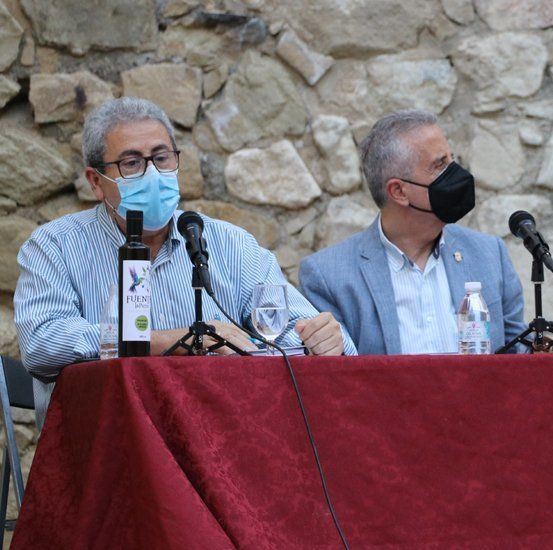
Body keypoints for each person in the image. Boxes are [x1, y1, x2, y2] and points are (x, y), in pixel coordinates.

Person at [15, 97, 356, 428]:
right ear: (96, 182)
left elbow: (292, 331)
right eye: (131, 163)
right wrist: (177, 340)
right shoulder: (55, 246)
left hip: (221, 439)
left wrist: (327, 339)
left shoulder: (227, 243)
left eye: (162, 158)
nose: (152, 174)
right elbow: (42, 344)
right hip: (112, 445)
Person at [299, 110, 525, 355]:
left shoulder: (490, 255)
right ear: (399, 192)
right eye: (440, 165)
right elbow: (329, 379)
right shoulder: (329, 277)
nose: (456, 174)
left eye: (452, 160)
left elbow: (520, 357)